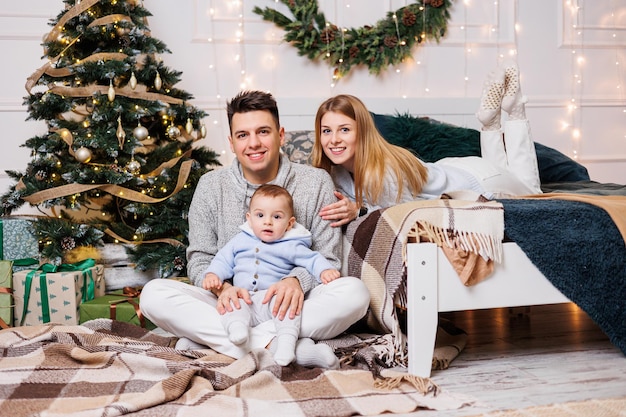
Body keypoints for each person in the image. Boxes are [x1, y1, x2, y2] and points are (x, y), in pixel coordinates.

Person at [140, 90, 370, 369]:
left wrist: (296, 281)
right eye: (243, 135)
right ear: (232, 142)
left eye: (263, 132)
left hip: (292, 304)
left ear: (281, 135)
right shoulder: (211, 185)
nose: (254, 143)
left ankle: (219, 343)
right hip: (232, 305)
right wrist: (223, 288)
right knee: (153, 295)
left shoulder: (315, 182)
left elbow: (328, 258)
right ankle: (279, 346)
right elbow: (199, 259)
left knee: (355, 294)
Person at [313, 60, 543, 227]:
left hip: (479, 181)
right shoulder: (336, 172)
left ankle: (515, 113)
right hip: (454, 168)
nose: (333, 140)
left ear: (362, 133)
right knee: (512, 175)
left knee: (532, 192)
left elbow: (402, 214)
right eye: (326, 131)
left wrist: (359, 210)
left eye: (344, 130)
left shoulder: (385, 172)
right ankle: (491, 124)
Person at [204, 184, 341, 366]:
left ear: (289, 223)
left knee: (288, 306)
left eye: (276, 217)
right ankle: (238, 330)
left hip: (273, 300)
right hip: (243, 297)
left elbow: (313, 259)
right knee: (231, 306)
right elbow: (222, 260)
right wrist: (214, 274)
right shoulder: (240, 240)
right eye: (260, 216)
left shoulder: (291, 244)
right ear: (250, 218)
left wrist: (325, 270)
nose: (267, 222)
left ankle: (285, 342)